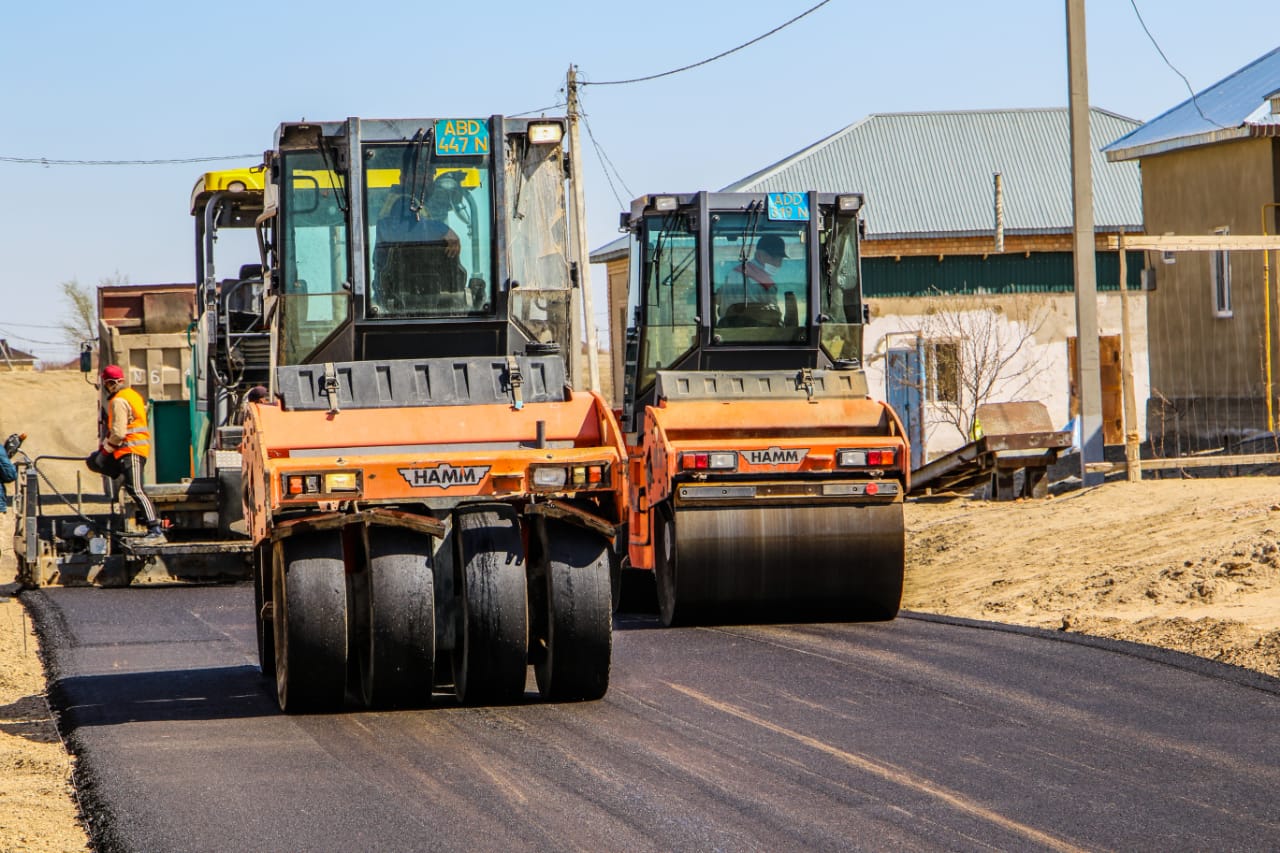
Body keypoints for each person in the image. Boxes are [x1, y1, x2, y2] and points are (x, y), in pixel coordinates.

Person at [87, 365, 165, 544]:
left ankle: (155, 529)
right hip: (133, 451)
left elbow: (119, 433)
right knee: (131, 486)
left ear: (109, 383)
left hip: (131, 451)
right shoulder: (133, 395)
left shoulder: (118, 401)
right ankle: (154, 528)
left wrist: (105, 451)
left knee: (136, 489)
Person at [371, 182, 465, 310]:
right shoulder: (438, 230)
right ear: (419, 214)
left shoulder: (384, 229)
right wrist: (442, 229)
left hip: (389, 308)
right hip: (446, 312)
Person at [729, 234, 788, 305]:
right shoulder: (765, 284)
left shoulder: (734, 272)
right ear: (759, 255)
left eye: (780, 260)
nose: (778, 265)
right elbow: (773, 314)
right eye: (774, 258)